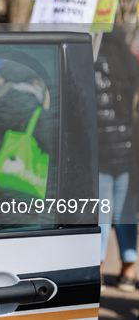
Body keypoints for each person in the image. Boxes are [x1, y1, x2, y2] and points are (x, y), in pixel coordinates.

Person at [96, 27, 139, 292]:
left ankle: (97, 269)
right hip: (128, 151)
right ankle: (128, 271)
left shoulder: (91, 62)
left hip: (99, 151)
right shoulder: (130, 65)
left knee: (100, 212)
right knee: (125, 211)